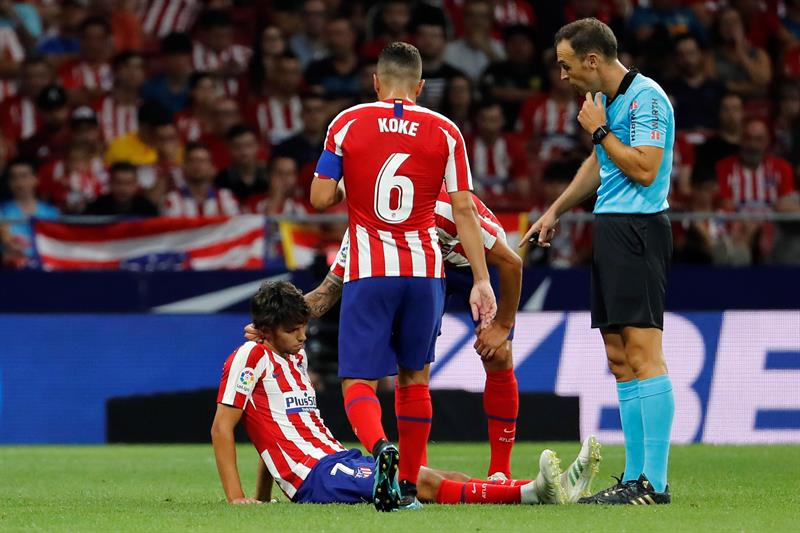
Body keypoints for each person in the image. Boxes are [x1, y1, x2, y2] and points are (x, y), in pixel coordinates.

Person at [308, 42, 497, 510]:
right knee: (415, 379)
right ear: (419, 86)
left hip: (369, 269)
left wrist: (355, 178)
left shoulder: (346, 123)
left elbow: (319, 198)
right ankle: (410, 482)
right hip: (425, 272)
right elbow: (464, 211)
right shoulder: (446, 130)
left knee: (357, 381)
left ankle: (379, 449)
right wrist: (480, 278)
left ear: (375, 81)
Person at [214, 280, 600, 508]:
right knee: (419, 483)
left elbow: (274, 436)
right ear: (264, 329)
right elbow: (222, 428)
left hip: (335, 459)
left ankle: (546, 488)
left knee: (438, 475)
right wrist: (237, 498)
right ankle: (534, 494)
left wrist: (264, 500)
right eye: (292, 330)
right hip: (319, 476)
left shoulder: (291, 359)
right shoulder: (251, 356)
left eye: (303, 328)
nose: (302, 337)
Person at [248, 184, 527, 480]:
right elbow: (325, 294)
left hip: (474, 265)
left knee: (498, 354)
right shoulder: (365, 227)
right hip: (425, 271)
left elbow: (512, 262)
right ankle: (417, 472)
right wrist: (275, 321)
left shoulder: (446, 211)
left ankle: (500, 470)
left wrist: (503, 325)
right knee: (411, 366)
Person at [522, 18, 675, 505]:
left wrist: (601, 129)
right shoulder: (605, 103)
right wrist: (556, 209)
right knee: (618, 359)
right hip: (610, 228)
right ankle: (635, 477)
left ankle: (655, 482)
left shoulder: (647, 98)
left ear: (593, 59)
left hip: (639, 231)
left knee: (644, 356)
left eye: (567, 66)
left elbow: (646, 170)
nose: (563, 76)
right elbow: (600, 163)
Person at [0, 157, 58, 265]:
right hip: (12, 271)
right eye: (14, 178)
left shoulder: (52, 213)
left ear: (35, 179)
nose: (19, 182)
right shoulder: (2, 211)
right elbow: (6, 241)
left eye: (24, 176)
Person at [163, 142, 238, 217]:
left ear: (211, 166)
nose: (198, 165)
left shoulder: (226, 197)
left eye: (202, 161)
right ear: (184, 165)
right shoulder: (172, 200)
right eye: (192, 160)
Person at [84, 161, 159, 217]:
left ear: (135, 185)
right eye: (118, 182)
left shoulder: (147, 208)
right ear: (110, 183)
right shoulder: (96, 207)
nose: (123, 188)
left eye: (128, 183)